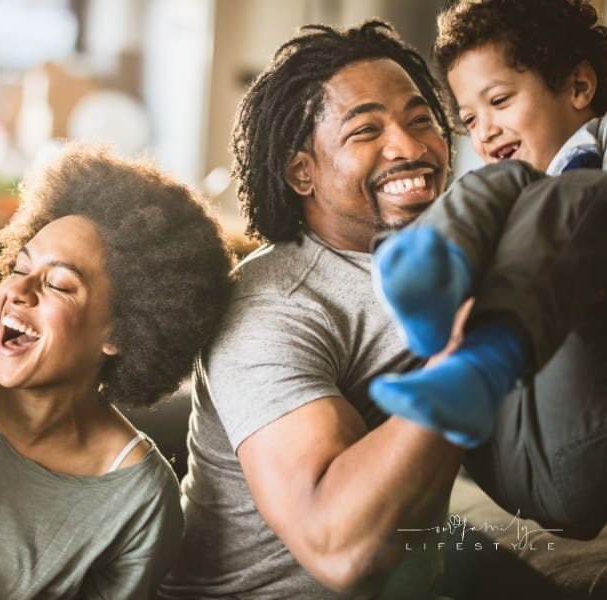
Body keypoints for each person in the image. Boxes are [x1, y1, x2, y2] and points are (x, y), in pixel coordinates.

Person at [160, 21, 468, 600]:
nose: (409, 147)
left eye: (421, 118)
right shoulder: (274, 304)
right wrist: (475, 347)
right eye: (366, 130)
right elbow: (342, 547)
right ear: (302, 169)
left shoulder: (445, 262)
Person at [0, 142, 234, 599]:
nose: (17, 289)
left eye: (59, 284)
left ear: (121, 333)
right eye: (20, 267)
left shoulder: (138, 503)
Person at [368, 0, 607, 536]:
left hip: (586, 439)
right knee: (493, 182)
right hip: (503, 452)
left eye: (499, 100)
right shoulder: (511, 188)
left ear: (578, 88)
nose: (484, 132)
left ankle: (482, 359)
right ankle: (431, 283)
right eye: (470, 119)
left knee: (570, 193)